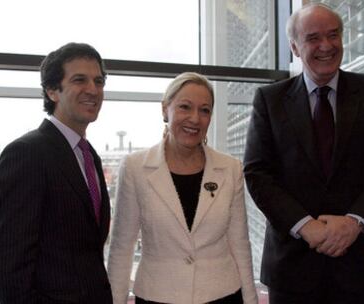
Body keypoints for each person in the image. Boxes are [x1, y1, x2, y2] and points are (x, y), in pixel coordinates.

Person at [243, 3, 364, 304]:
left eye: (333, 35)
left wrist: (354, 222)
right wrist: (305, 226)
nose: (326, 46)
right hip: (293, 268)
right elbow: (258, 173)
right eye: (313, 38)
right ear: (294, 47)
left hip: (363, 264)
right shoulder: (269, 100)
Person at [107, 72, 257, 304]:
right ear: (165, 109)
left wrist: (250, 301)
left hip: (223, 295)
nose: (195, 119)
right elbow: (122, 248)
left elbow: (239, 243)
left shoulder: (230, 168)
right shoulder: (135, 167)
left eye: (205, 110)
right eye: (185, 107)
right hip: (157, 296)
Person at [0, 42, 113, 303]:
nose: (93, 90)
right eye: (79, 80)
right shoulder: (26, 153)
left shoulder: (89, 155)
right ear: (52, 91)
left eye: (98, 81)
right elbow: (10, 266)